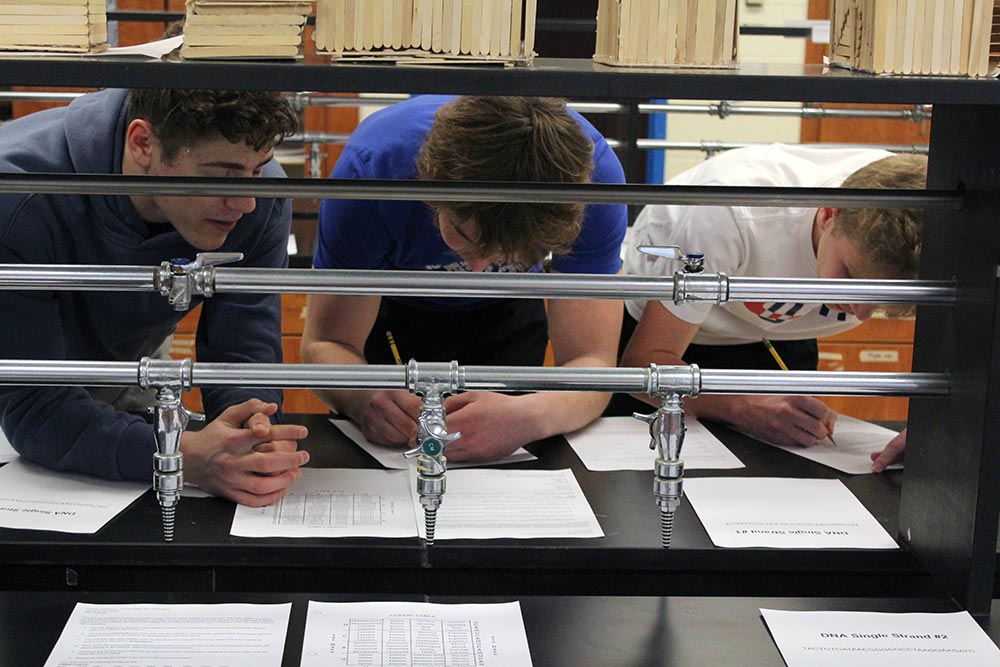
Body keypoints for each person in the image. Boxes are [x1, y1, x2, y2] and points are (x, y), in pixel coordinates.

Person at [0, 87, 311, 506]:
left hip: (119, 374)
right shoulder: (20, 195)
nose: (246, 202)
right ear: (143, 144)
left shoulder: (260, 202)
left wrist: (251, 431)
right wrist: (180, 456)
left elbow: (243, 345)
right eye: (222, 176)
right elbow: (33, 404)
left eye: (258, 170)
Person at [302, 95, 627, 463]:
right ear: (431, 188)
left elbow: (592, 360)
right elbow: (327, 343)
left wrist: (529, 417)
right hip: (392, 317)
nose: (478, 269)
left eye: (509, 252)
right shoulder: (376, 168)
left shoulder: (591, 181)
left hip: (509, 313)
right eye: (463, 234)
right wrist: (362, 398)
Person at [614, 144, 926, 467]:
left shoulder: (925, 220)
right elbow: (642, 365)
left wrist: (934, 429)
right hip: (670, 333)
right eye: (850, 277)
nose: (859, 312)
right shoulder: (733, 213)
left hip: (779, 331)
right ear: (829, 213)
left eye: (883, 303)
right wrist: (739, 406)